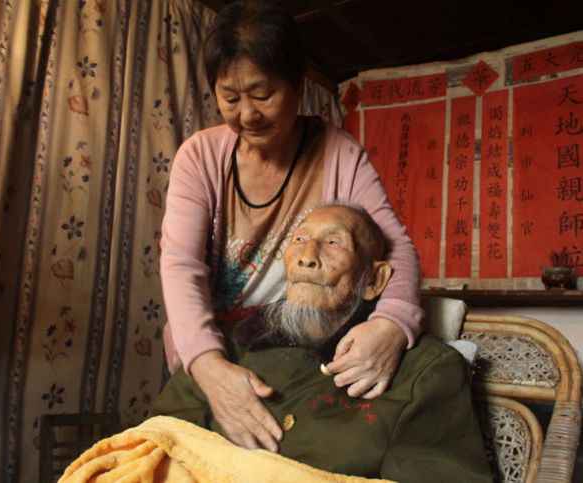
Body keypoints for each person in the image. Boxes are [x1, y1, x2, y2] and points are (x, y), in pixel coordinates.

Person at [159, 0, 423, 454]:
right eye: (230, 96)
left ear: (299, 87)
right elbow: (181, 265)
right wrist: (208, 366)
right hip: (212, 348)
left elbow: (395, 249)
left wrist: (392, 325)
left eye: (262, 94)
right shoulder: (198, 158)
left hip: (296, 348)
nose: (246, 114)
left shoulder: (341, 154)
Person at [151, 203, 492, 482]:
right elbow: (150, 447)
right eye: (299, 240)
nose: (307, 256)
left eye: (333, 243)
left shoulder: (426, 371)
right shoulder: (225, 349)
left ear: (374, 280)